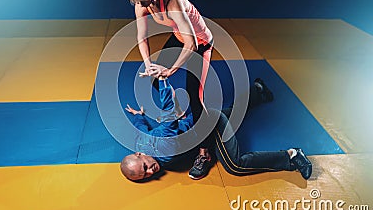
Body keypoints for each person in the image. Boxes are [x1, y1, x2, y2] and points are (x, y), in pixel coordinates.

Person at [120, 77, 312, 181]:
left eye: (145, 167)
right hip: (197, 124)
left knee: (234, 165)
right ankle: (257, 90)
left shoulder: (164, 148)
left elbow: (170, 109)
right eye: (145, 175)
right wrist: (139, 116)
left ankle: (292, 157)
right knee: (234, 113)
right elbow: (142, 129)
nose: (151, 172)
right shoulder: (141, 143)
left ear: (139, 154)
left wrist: (162, 80)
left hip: (209, 124)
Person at [125, 0, 214, 179]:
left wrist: (170, 70)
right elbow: (141, 37)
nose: (142, 6)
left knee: (195, 97)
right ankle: (179, 116)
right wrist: (149, 66)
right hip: (180, 38)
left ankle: (204, 153)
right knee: (155, 77)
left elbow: (191, 43)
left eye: (145, 1)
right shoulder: (141, 2)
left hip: (199, 43)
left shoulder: (175, 2)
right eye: (138, 2)